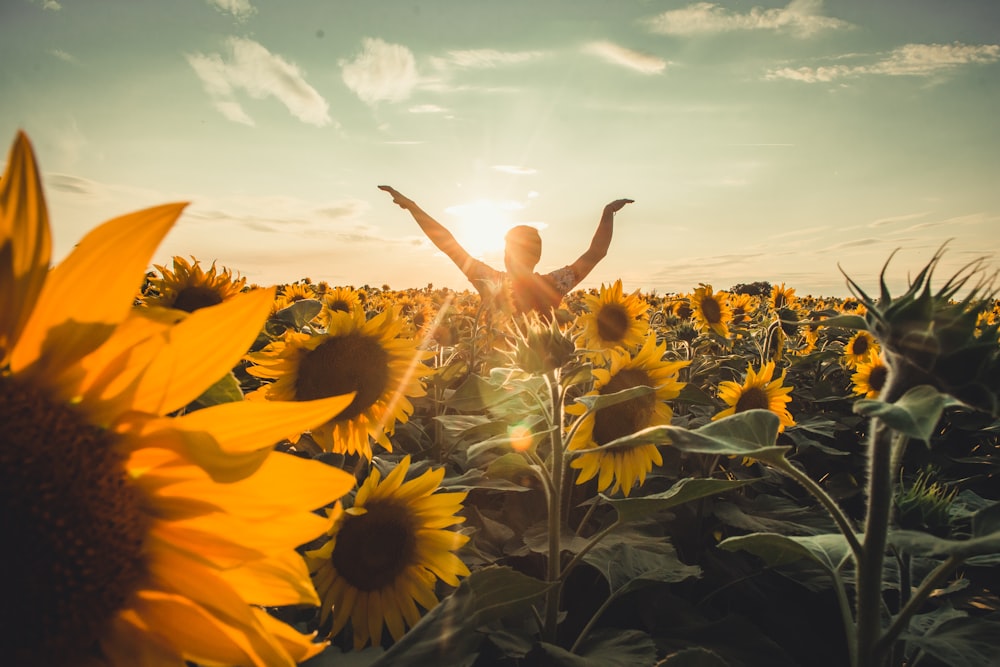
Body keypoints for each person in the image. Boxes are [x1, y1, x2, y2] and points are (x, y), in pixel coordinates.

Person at [378, 185, 633, 316]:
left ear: (507, 254)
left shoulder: (491, 281)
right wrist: (607, 213)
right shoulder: (553, 284)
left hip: (494, 385)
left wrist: (413, 208)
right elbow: (595, 253)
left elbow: (448, 244)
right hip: (537, 386)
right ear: (538, 256)